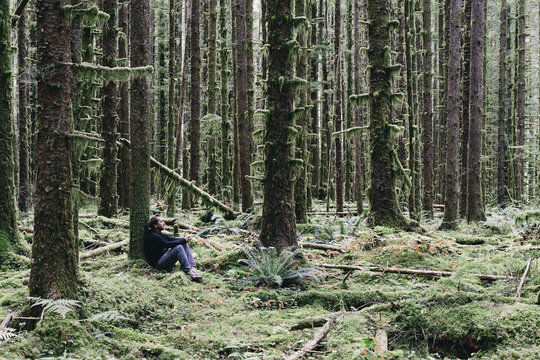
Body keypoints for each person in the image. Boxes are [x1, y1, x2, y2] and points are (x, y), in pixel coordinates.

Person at [143, 215, 202, 281]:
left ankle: (191, 266)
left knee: (183, 243)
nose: (164, 223)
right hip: (158, 264)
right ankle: (187, 269)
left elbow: (173, 239)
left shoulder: (160, 234)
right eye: (161, 221)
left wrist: (184, 239)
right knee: (179, 247)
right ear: (155, 225)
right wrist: (183, 240)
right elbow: (167, 244)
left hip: (164, 258)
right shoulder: (153, 235)